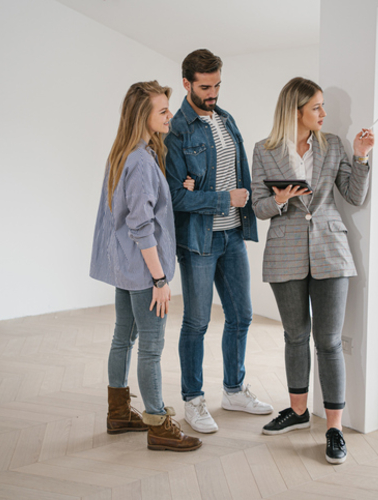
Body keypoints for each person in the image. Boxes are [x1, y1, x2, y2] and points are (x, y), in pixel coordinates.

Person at [250, 77, 374, 464]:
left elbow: (353, 195)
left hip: (331, 251)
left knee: (329, 340)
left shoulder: (333, 144)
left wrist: (361, 157)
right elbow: (257, 206)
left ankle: (334, 429)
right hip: (284, 252)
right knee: (294, 335)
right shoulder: (264, 150)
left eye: (323, 106)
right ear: (296, 111)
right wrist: (279, 199)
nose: (324, 113)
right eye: (317, 107)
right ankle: (299, 412)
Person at [164, 49, 273, 434]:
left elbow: (235, 173)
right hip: (199, 241)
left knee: (241, 316)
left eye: (217, 86)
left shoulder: (226, 120)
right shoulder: (177, 129)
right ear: (187, 84)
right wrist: (224, 198)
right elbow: (176, 197)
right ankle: (193, 399)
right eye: (205, 87)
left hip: (233, 236)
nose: (213, 94)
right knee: (196, 322)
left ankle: (233, 390)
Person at [90, 81, 201, 452]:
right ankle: (158, 424)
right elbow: (140, 225)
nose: (170, 116)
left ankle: (118, 413)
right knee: (151, 346)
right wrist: (159, 278)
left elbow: (134, 213)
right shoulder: (139, 161)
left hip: (124, 265)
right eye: (163, 111)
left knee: (124, 337)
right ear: (144, 116)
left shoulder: (126, 153)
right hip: (142, 270)